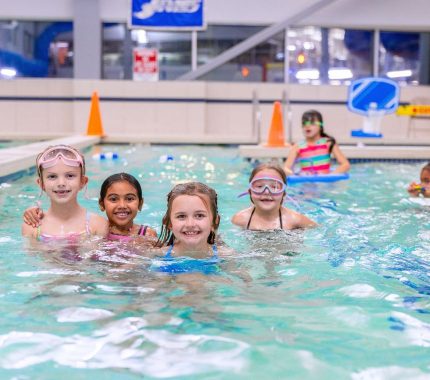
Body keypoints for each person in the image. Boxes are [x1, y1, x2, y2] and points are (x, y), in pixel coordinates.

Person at [21, 145, 108, 241]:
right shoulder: (32, 227)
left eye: (70, 175)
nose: (61, 183)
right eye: (52, 176)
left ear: (82, 182)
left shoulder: (98, 225)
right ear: (41, 184)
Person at [151, 182, 226, 274]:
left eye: (199, 215)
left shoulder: (225, 256)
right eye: (181, 216)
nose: (190, 224)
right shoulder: (158, 255)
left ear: (214, 221)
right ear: (169, 223)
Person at [231, 163, 316, 231]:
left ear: (284, 193)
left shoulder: (295, 220)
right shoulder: (240, 219)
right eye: (260, 186)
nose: (267, 192)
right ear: (250, 192)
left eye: (274, 187)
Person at [284, 110, 350, 175]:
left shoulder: (328, 143)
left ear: (320, 126)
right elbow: (286, 168)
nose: (307, 126)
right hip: (306, 183)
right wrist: (293, 174)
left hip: (325, 183)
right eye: (304, 123)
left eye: (312, 123)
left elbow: (345, 165)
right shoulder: (298, 146)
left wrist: (330, 176)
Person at [99, 173, 157, 241]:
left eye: (129, 199)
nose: (122, 206)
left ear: (140, 204)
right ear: (102, 204)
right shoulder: (97, 232)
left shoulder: (147, 234)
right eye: (113, 199)